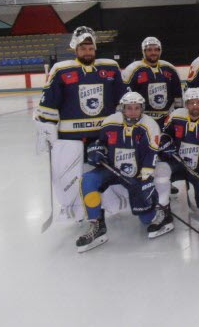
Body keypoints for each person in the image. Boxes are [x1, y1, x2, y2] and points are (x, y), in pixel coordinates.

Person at [35, 26, 129, 223]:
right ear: (75, 49)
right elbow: (48, 103)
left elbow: (125, 100)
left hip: (104, 135)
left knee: (107, 172)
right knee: (74, 176)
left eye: (90, 48)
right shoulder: (61, 70)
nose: (87, 52)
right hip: (72, 138)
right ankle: (78, 209)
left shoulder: (110, 67)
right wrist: (46, 128)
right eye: (83, 48)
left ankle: (110, 202)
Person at [75, 92, 168, 252]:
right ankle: (96, 225)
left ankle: (161, 210)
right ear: (122, 108)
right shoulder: (110, 121)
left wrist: (144, 179)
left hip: (138, 173)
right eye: (129, 108)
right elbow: (100, 143)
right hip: (112, 169)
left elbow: (152, 153)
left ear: (142, 109)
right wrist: (96, 150)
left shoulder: (150, 125)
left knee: (146, 219)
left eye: (137, 108)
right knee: (88, 180)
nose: (133, 112)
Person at [155, 88, 199, 223]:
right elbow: (165, 134)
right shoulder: (176, 115)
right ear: (186, 104)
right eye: (191, 103)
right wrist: (164, 141)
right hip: (179, 163)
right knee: (160, 170)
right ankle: (163, 206)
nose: (195, 106)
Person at [122, 36, 183, 123]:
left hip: (166, 118)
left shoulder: (169, 68)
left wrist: (178, 113)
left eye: (156, 50)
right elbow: (126, 97)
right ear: (144, 51)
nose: (153, 52)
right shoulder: (133, 70)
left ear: (160, 51)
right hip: (142, 119)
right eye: (149, 50)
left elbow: (178, 95)